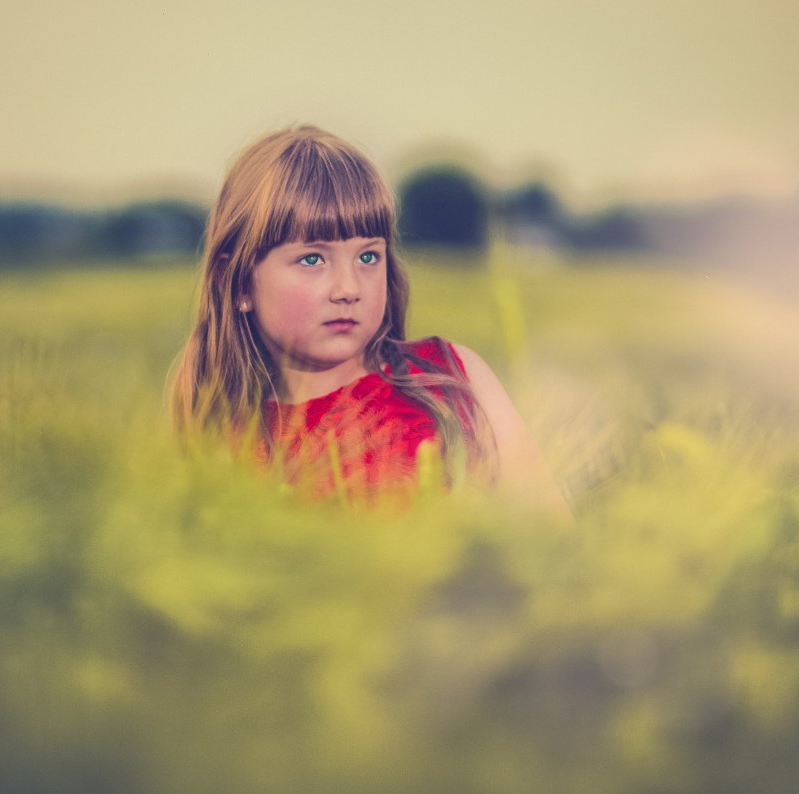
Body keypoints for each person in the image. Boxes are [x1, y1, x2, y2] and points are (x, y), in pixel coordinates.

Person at [171, 124, 569, 517]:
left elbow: (550, 539)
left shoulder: (449, 379)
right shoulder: (222, 443)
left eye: (367, 256)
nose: (348, 288)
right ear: (237, 282)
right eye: (312, 259)